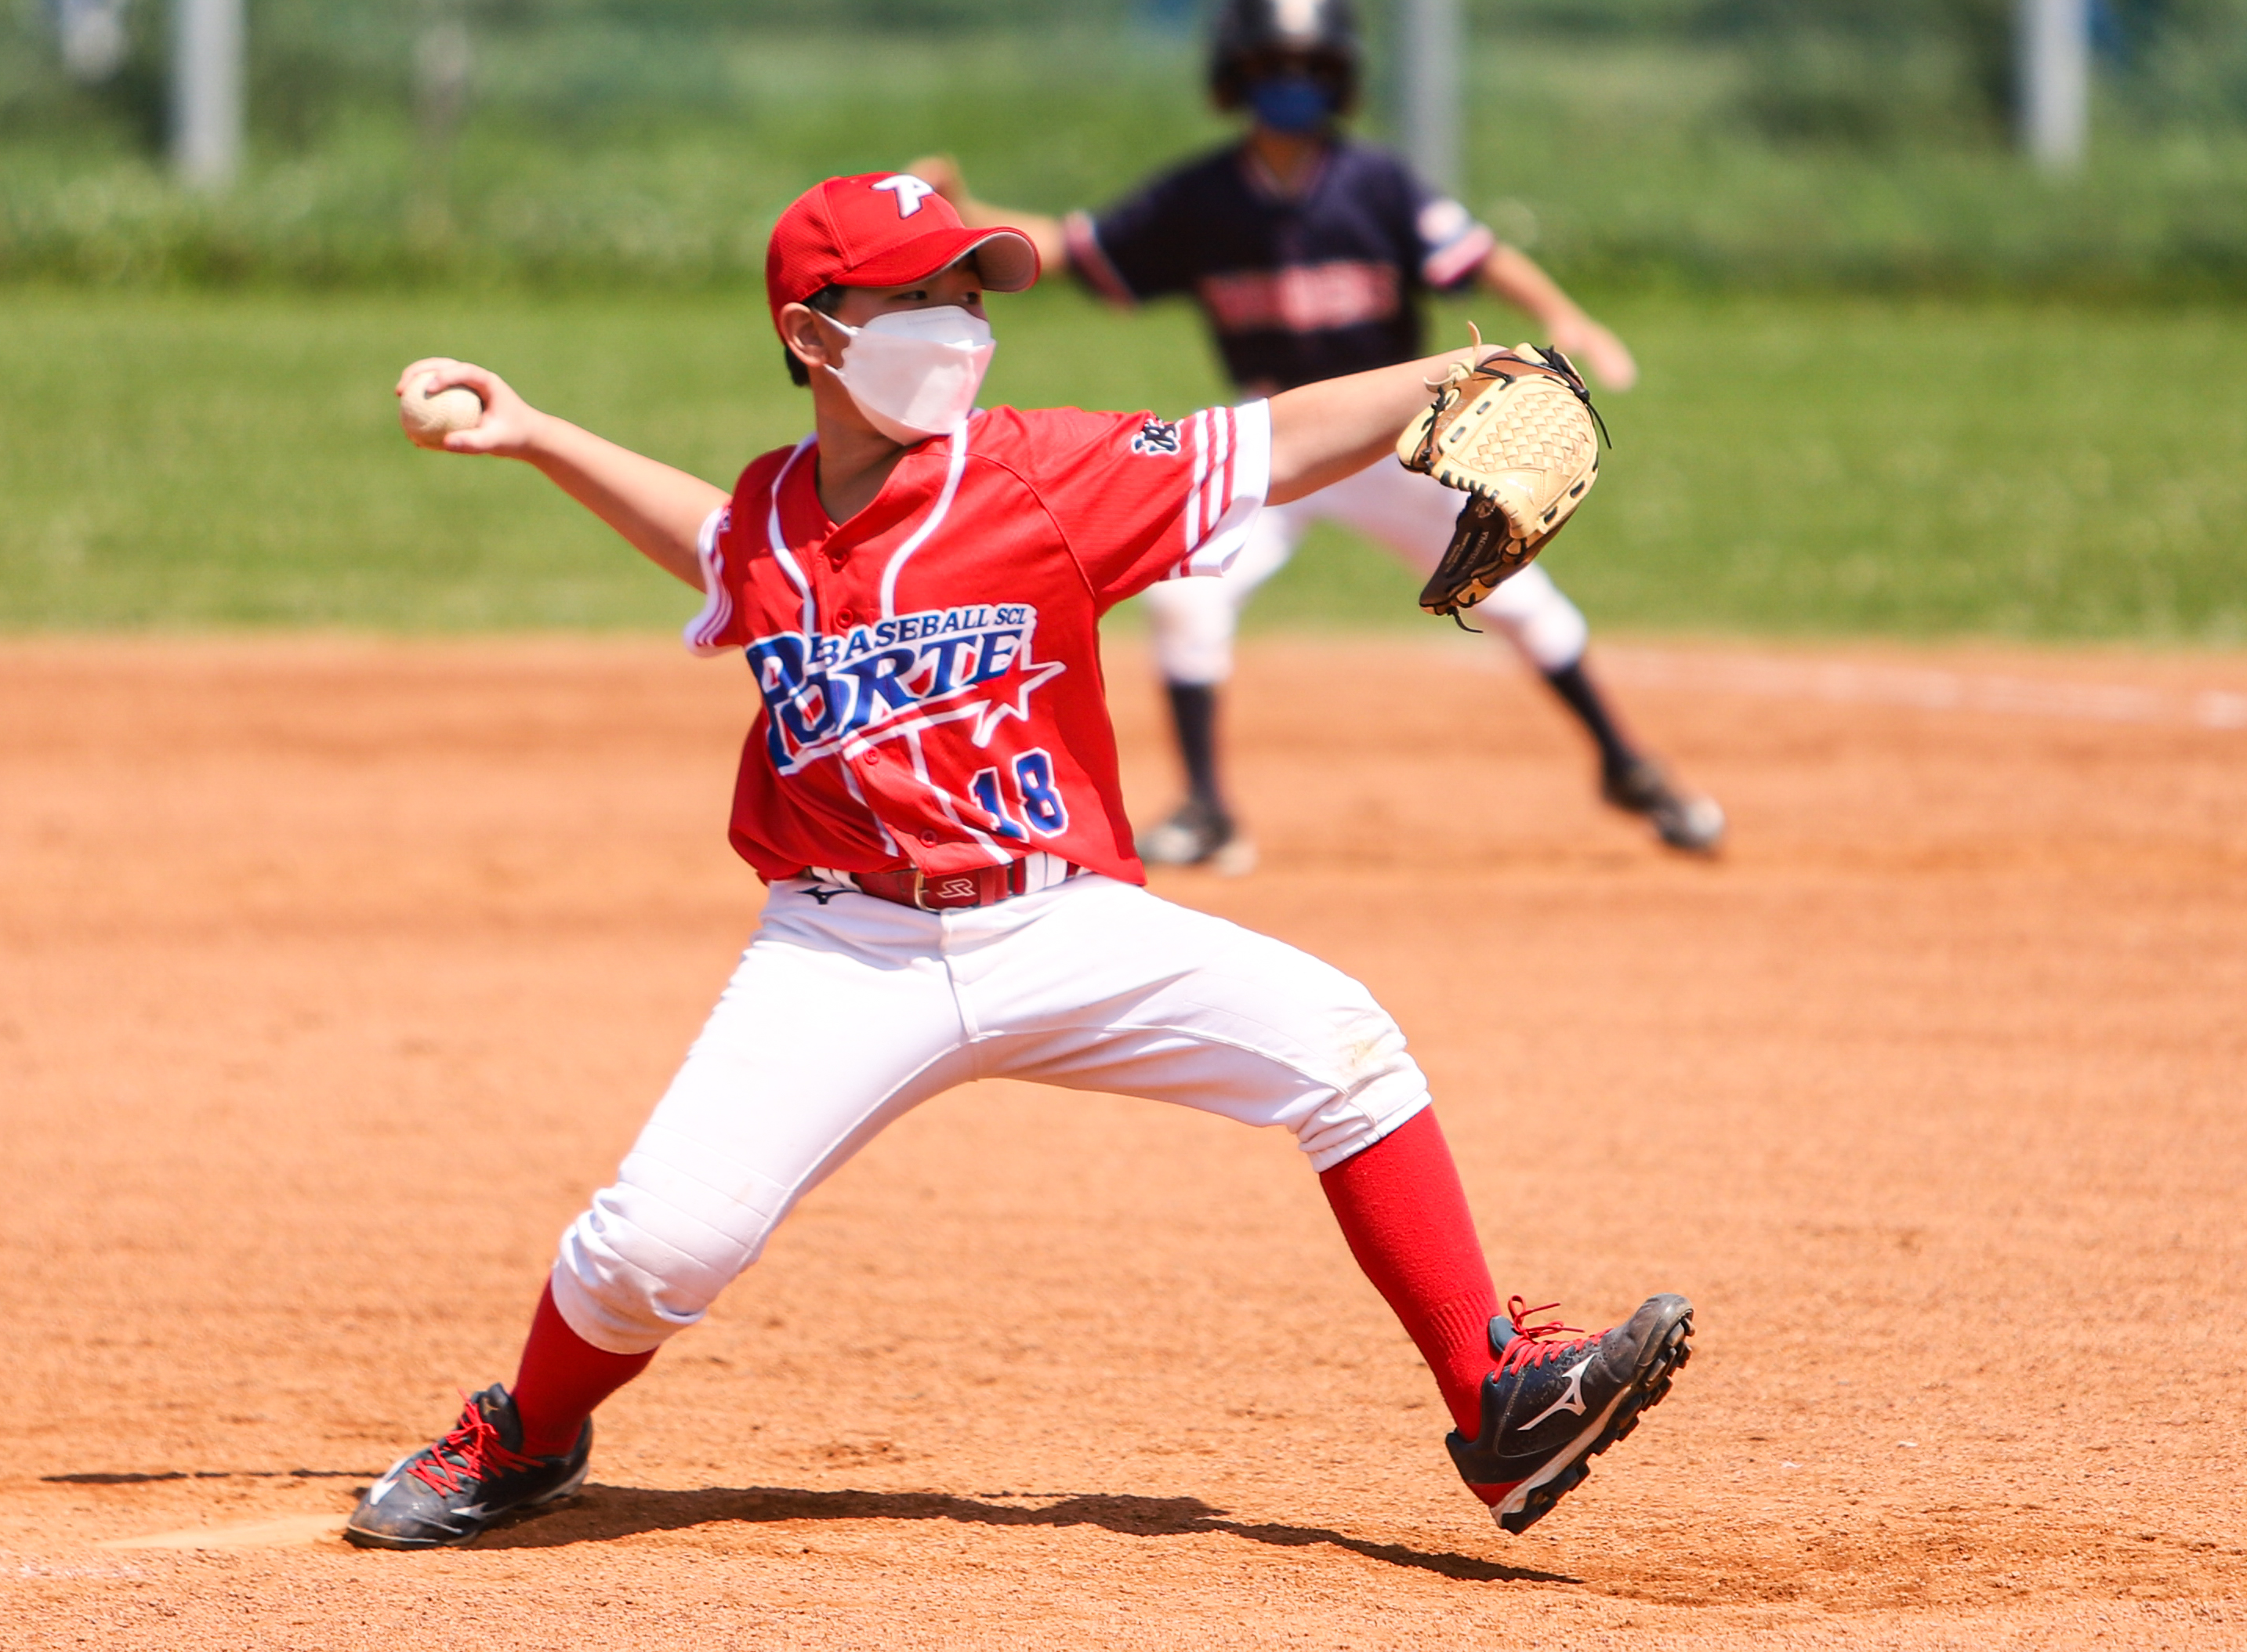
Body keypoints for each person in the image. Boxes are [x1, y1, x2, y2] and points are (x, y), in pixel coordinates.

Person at [343, 170, 1691, 1552]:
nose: (960, 322)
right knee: (651, 1250)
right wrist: (539, 435)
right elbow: (716, 544)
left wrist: (1456, 372)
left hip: (1059, 925)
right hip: (843, 947)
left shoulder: (1040, 477)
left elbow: (1266, 439)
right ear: (811, 335)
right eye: (918, 295)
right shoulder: (772, 513)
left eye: (970, 293)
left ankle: (1498, 1401)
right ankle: (527, 1433)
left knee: (1341, 1043)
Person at [911, 0, 1723, 872]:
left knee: (1516, 595)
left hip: (1393, 440)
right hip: (1271, 439)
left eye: (1309, 68)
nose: (1290, 86)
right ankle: (1208, 811)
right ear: (1234, 79)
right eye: (1270, 67)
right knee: (1187, 599)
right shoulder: (1201, 198)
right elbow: (1076, 248)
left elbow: (1479, 255)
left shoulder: (1376, 184)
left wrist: (1563, 313)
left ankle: (1627, 767)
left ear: (1340, 79)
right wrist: (965, 215)